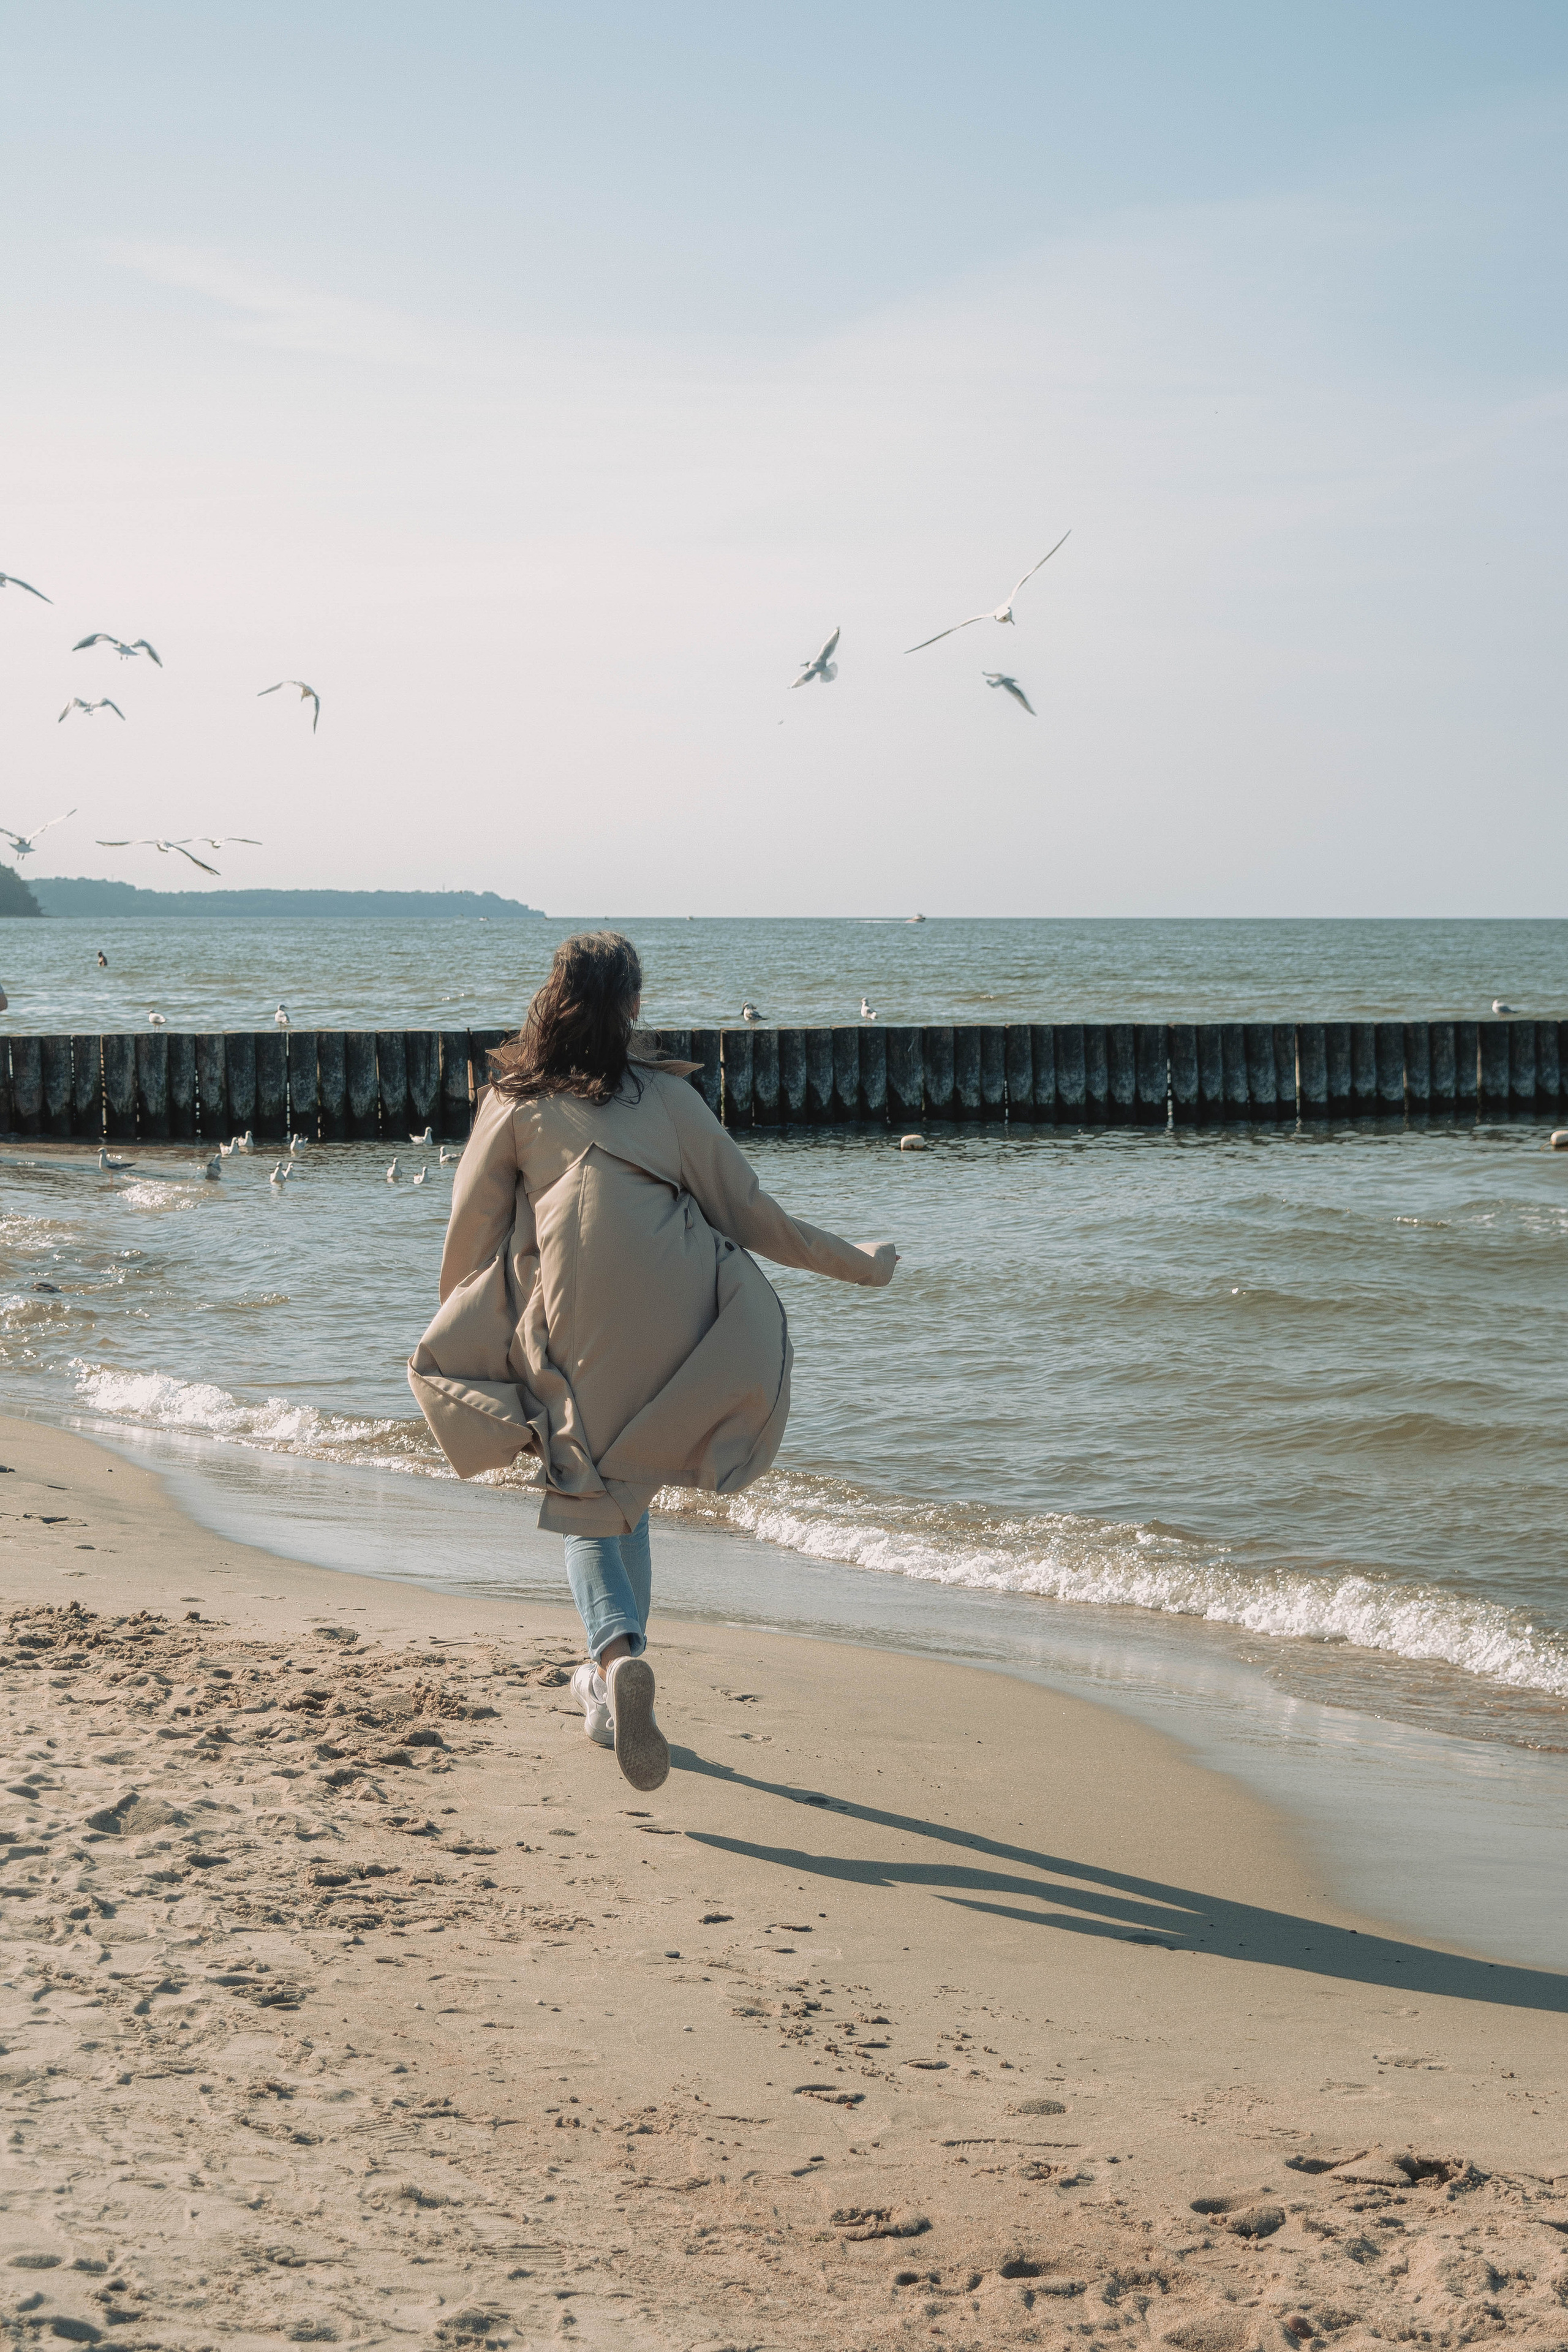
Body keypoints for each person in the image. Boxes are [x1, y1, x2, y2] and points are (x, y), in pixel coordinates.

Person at [409, 931, 897, 1792]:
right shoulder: (670, 1102)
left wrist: (470, 1345)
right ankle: (610, 1692)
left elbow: (471, 1234)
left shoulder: (513, 1101)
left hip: (573, 1303)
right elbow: (754, 1218)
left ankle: (614, 1659)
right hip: (680, 1309)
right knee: (623, 1484)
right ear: (631, 1008)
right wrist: (857, 1263)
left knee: (584, 1485)